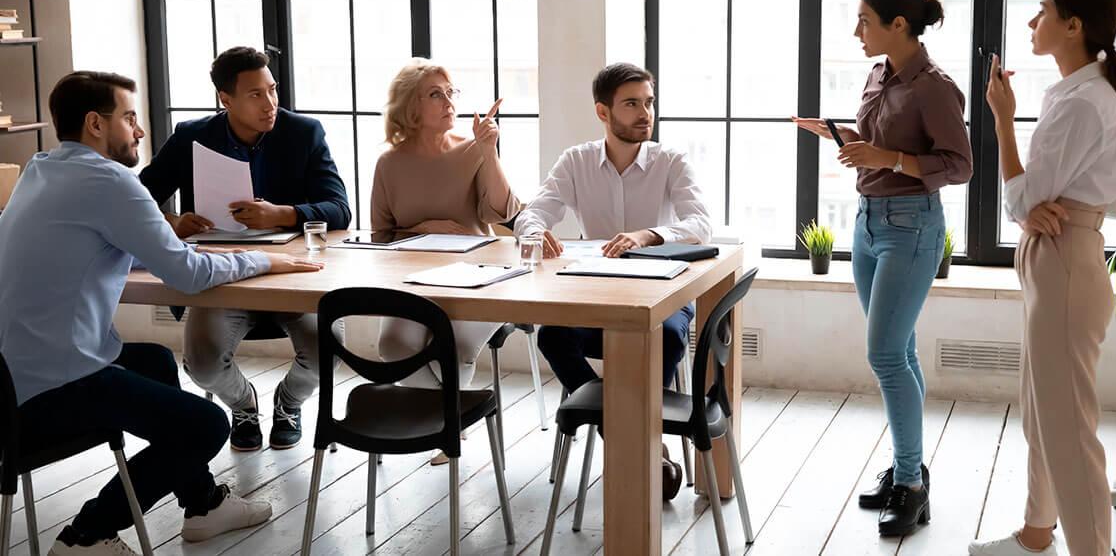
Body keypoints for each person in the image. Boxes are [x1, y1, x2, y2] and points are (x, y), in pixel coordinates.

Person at [0, 71, 324, 556]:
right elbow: (189, 275)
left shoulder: (40, 170)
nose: (140, 131)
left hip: (12, 379)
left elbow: (106, 246)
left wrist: (163, 243)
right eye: (130, 118)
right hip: (51, 389)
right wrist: (267, 260)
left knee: (153, 359)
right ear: (94, 123)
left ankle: (204, 504)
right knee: (207, 426)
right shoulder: (110, 181)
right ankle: (84, 537)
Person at [969, 0, 1116, 556]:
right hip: (1056, 258)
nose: (1031, 21)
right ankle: (1036, 533)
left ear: (1073, 26)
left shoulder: (1082, 103)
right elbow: (1031, 203)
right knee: (1042, 415)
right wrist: (1030, 211)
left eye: (1042, 10)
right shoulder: (1080, 93)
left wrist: (1001, 118)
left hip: (1066, 262)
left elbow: (1023, 200)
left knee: (1068, 431)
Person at [794, 0, 972, 537]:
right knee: (902, 352)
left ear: (900, 25)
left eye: (865, 20)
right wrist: (842, 136)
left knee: (886, 357)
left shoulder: (935, 87)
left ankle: (912, 489)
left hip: (912, 228)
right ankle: (907, 467)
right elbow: (878, 148)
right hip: (868, 224)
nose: (856, 31)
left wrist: (886, 156)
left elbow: (959, 166)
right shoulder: (879, 74)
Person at [514, 62, 711, 501]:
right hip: (594, 294)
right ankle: (632, 438)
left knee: (668, 339)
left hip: (664, 295)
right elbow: (532, 212)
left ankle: (629, 436)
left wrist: (649, 235)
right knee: (554, 337)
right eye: (632, 104)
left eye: (649, 102)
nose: (645, 113)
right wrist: (532, 231)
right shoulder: (576, 161)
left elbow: (701, 225)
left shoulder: (670, 160)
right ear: (603, 113)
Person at [139, 46, 351, 452]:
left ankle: (288, 403)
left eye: (272, 90)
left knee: (328, 351)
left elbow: (339, 209)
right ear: (226, 99)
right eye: (256, 94)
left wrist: (282, 214)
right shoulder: (191, 137)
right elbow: (139, 200)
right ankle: (244, 404)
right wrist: (172, 223)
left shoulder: (304, 133)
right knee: (201, 364)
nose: (270, 103)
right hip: (220, 274)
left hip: (292, 272)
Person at [370, 58, 521, 465]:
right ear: (410, 107)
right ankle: (453, 419)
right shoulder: (389, 164)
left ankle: (445, 429)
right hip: (413, 278)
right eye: (436, 93)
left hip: (480, 275)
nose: (448, 101)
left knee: (452, 348)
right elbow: (381, 237)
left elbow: (504, 211)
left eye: (451, 92)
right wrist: (425, 228)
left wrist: (489, 152)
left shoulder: (473, 150)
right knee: (392, 344)